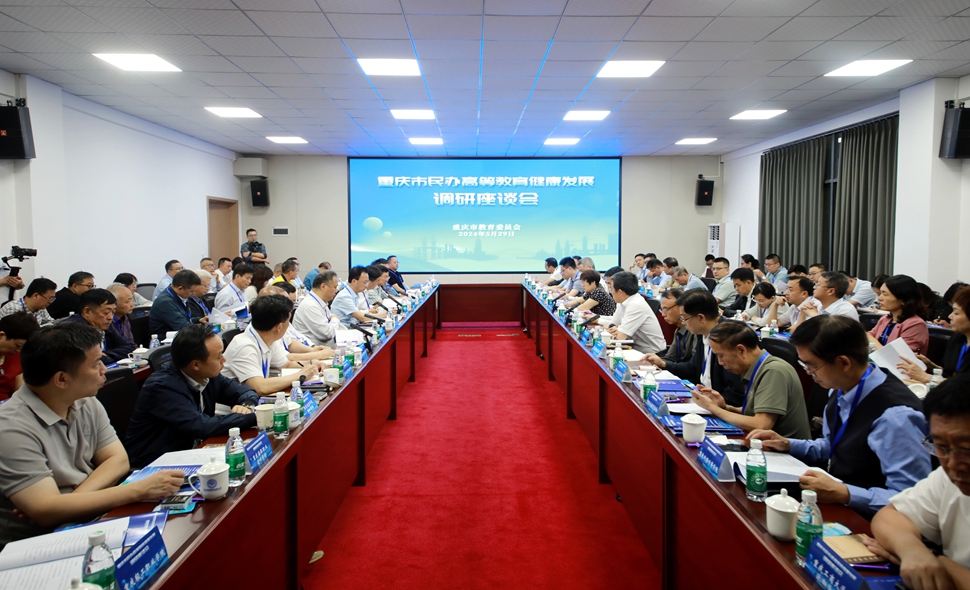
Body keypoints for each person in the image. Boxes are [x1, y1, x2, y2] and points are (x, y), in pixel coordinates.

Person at [0, 322, 184, 549]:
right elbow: (46, 514)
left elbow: (118, 460)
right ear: (61, 379)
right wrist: (138, 490)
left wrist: (65, 504)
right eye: (96, 364)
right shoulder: (10, 428)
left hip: (88, 518)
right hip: (37, 544)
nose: (104, 370)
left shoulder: (84, 400)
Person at [749, 315, 931, 517]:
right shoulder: (842, 388)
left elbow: (911, 500)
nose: (808, 372)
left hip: (874, 520)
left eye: (812, 366)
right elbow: (834, 447)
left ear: (843, 363)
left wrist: (846, 493)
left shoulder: (896, 417)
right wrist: (788, 445)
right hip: (838, 501)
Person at [865, 375, 970, 590]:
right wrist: (912, 550)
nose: (952, 463)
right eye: (941, 447)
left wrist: (937, 560)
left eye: (967, 449)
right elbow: (889, 516)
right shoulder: (949, 477)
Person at [125, 324, 259, 468]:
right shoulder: (161, 387)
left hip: (192, 453)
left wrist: (247, 406)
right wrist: (255, 416)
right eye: (219, 356)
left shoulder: (208, 375)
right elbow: (203, 426)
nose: (224, 360)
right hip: (154, 465)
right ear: (196, 365)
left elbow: (245, 392)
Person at [691, 321, 810, 439]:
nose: (720, 362)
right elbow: (754, 412)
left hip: (785, 450)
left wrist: (712, 408)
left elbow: (761, 425)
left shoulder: (774, 371)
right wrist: (726, 408)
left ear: (741, 350)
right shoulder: (755, 367)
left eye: (721, 355)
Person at [643, 290, 745, 407]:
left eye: (684, 318)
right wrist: (664, 364)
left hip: (720, 405)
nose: (683, 323)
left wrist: (712, 405)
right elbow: (692, 368)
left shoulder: (729, 338)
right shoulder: (703, 333)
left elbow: (735, 393)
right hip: (703, 397)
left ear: (701, 318)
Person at [221, 295, 320, 395]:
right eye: (288, 321)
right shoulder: (244, 347)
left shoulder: (268, 337)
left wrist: (311, 364)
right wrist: (301, 375)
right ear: (279, 327)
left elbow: (286, 365)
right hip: (237, 403)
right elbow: (260, 387)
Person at [900, 287, 970, 384]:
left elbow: (964, 385)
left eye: (956, 313)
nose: (950, 316)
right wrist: (932, 366)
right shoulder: (958, 338)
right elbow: (950, 374)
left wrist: (926, 377)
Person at [598, 271, 665, 354]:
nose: (610, 292)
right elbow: (612, 324)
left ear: (620, 292)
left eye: (611, 289)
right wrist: (613, 328)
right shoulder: (622, 301)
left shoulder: (636, 305)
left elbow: (619, 337)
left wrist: (615, 329)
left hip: (652, 353)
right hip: (634, 348)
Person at [64, 289, 134, 364]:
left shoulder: (103, 324)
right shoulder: (74, 329)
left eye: (113, 312)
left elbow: (130, 348)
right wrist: (105, 356)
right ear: (87, 312)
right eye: (106, 312)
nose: (110, 317)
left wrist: (106, 355)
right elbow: (89, 360)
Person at [867, 275, 930, 354]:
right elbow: (867, 337)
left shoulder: (916, 325)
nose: (880, 298)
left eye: (885, 294)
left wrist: (871, 340)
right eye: (880, 293)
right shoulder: (886, 319)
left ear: (903, 300)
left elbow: (897, 356)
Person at [149, 270, 206, 339]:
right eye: (191, 291)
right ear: (180, 288)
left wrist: (198, 320)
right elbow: (183, 327)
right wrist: (206, 329)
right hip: (167, 340)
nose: (193, 294)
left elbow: (183, 318)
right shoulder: (165, 302)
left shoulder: (179, 296)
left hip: (180, 336)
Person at [292, 271, 343, 347]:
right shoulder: (310, 306)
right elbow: (327, 334)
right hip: (314, 350)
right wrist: (335, 319)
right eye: (335, 287)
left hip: (324, 348)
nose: (336, 291)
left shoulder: (319, 301)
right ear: (323, 286)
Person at [0, 312, 39, 400]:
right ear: (1, 336)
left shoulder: (16, 357)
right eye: (17, 345)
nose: (18, 350)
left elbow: (18, 389)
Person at [659, 288, 696, 364]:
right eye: (662, 310)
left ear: (681, 307)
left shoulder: (695, 330)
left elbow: (694, 365)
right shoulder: (678, 331)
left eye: (666, 309)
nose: (663, 314)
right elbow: (670, 358)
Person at [105, 283, 136, 347]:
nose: (132, 304)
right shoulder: (106, 321)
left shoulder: (124, 317)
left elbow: (130, 343)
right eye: (127, 301)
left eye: (131, 300)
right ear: (114, 303)